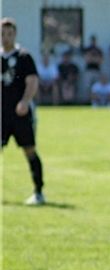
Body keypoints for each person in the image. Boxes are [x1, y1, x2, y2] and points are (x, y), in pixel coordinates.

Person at [2, 18, 46, 206]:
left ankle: (38, 192)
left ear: (15, 34)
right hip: (1, 115)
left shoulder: (23, 57)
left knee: (29, 150)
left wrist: (25, 101)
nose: (5, 37)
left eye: (9, 33)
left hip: (20, 114)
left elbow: (32, 81)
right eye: (2, 34)